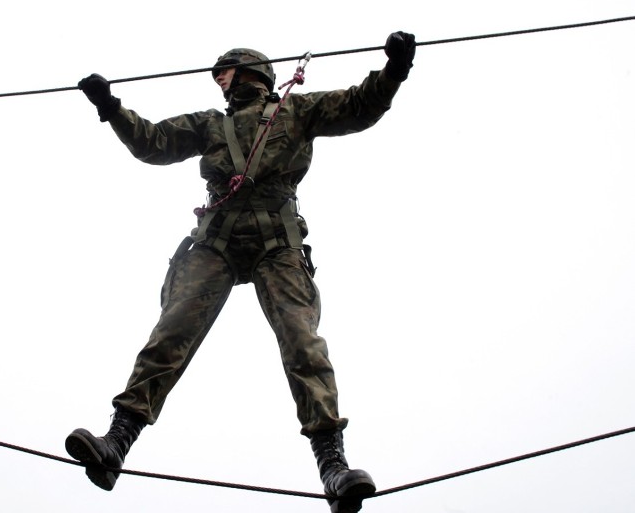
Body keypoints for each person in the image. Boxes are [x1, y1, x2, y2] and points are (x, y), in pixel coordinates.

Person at [65, 32, 416, 501]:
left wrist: (394, 70)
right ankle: (116, 444)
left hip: (278, 239)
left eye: (224, 72)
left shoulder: (296, 110)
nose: (219, 81)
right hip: (218, 239)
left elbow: (359, 106)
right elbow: (154, 142)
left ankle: (333, 466)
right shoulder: (211, 124)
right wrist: (110, 108)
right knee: (172, 331)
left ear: (250, 72)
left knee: (301, 340)